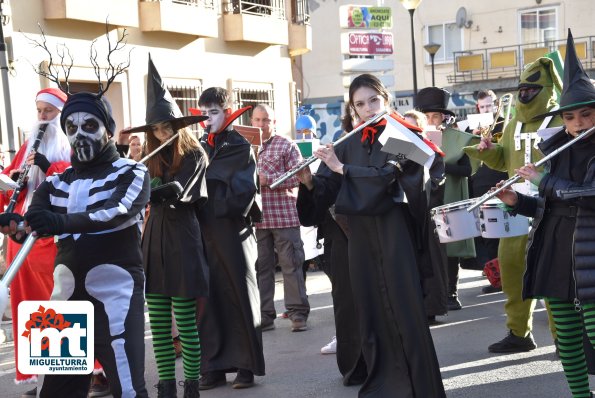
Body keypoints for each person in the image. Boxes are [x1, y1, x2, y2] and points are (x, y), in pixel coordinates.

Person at [296, 73, 445, 397]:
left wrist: (342, 169)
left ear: (385, 100)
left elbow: (393, 180)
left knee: (405, 311)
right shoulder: (348, 143)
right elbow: (326, 193)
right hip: (360, 242)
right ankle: (386, 384)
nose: (367, 109)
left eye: (373, 101)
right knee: (371, 310)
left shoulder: (402, 135)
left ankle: (420, 386)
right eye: (360, 104)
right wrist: (309, 182)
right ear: (353, 108)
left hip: (395, 237)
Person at [0, 90, 151, 397]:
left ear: (108, 129)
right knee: (55, 393)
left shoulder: (133, 171)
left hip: (116, 300)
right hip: (64, 300)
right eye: (71, 128)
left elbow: (115, 212)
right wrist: (15, 225)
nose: (79, 134)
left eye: (90, 126)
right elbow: (34, 219)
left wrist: (60, 222)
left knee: (129, 391)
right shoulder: (56, 182)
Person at [493, 30, 595, 397]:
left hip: (591, 253)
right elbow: (551, 208)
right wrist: (517, 201)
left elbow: (587, 195)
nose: (579, 123)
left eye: (587, 114)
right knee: (567, 338)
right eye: (571, 117)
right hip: (555, 253)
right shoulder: (556, 148)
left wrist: (542, 178)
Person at [464, 56, 563, 353]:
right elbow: (505, 159)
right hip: (513, 205)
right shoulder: (513, 121)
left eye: (532, 89)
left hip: (550, 207)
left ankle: (564, 340)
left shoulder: (562, 119)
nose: (525, 94)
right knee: (512, 269)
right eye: (521, 88)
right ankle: (519, 334)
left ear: (546, 89)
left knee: (551, 276)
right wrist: (488, 151)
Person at [124, 56, 209, 397]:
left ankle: (191, 385)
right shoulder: (149, 157)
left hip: (183, 240)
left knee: (185, 324)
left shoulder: (195, 154)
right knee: (158, 324)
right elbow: (136, 196)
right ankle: (165, 386)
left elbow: (182, 192)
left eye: (166, 126)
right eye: (156, 128)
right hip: (154, 240)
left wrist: (151, 189)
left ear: (178, 124)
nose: (161, 133)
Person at [0, 88, 70, 397]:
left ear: (61, 115)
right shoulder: (28, 145)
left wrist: (49, 166)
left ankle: (86, 370)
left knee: (60, 302)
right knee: (31, 306)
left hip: (51, 234)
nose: (42, 117)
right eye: (39, 110)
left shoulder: (72, 144)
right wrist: (15, 177)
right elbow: (8, 187)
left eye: (49, 112)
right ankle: (47, 374)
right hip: (21, 235)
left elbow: (78, 182)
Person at [197, 87, 265, 390]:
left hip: (232, 228)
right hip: (203, 229)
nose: (207, 118)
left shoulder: (239, 145)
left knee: (240, 295)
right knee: (207, 298)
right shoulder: (199, 144)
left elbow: (244, 190)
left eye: (213, 111)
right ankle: (213, 366)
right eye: (203, 113)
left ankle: (246, 366)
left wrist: (205, 181)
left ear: (228, 110)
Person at [251, 103, 310, 332]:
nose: (261, 124)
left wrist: (269, 178)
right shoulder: (247, 147)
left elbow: (300, 176)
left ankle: (298, 314)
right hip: (256, 218)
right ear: (252, 121)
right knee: (261, 268)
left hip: (284, 215)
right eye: (257, 120)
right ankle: (265, 316)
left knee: (291, 266)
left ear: (273, 122)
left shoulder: (286, 144)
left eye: (266, 120)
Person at [416, 86, 474, 312]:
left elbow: (468, 170)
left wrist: (440, 164)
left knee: (451, 248)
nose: (431, 120)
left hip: (449, 198)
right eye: (427, 116)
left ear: (444, 117)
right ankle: (430, 293)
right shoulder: (413, 138)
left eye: (436, 116)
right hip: (424, 199)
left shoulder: (457, 138)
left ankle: (451, 291)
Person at [403, 109, 449, 324]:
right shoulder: (398, 149)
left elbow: (436, 182)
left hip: (427, 215)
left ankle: (430, 308)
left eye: (413, 127)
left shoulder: (431, 151)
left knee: (429, 263)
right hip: (406, 215)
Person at [469, 90, 509, 293]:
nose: (487, 109)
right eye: (483, 106)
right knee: (487, 231)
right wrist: (472, 138)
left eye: (490, 105)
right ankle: (496, 277)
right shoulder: (471, 127)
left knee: (503, 229)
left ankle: (506, 275)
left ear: (496, 104)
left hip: (500, 179)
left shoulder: (505, 123)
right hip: (480, 182)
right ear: (478, 107)